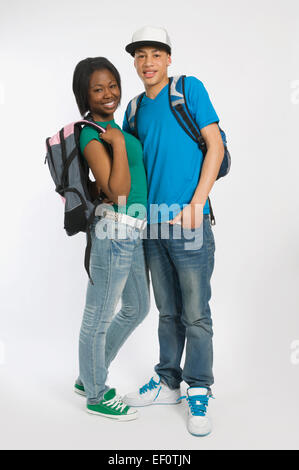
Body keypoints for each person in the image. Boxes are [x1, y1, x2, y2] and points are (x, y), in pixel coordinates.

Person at [122, 26, 225, 436]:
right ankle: (168, 381)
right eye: (140, 55)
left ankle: (198, 389)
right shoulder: (132, 109)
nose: (148, 63)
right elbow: (133, 168)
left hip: (188, 222)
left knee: (196, 313)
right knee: (167, 311)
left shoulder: (188, 89)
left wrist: (197, 205)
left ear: (168, 59)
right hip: (151, 225)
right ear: (135, 62)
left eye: (156, 54)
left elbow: (214, 146)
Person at [72, 57, 149, 421]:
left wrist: (119, 138)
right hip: (113, 229)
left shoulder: (115, 127)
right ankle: (96, 393)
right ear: (85, 95)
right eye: (98, 89)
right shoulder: (91, 134)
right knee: (99, 316)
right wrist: (117, 144)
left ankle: (88, 374)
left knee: (137, 307)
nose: (108, 94)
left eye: (112, 85)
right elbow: (117, 192)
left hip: (133, 229)